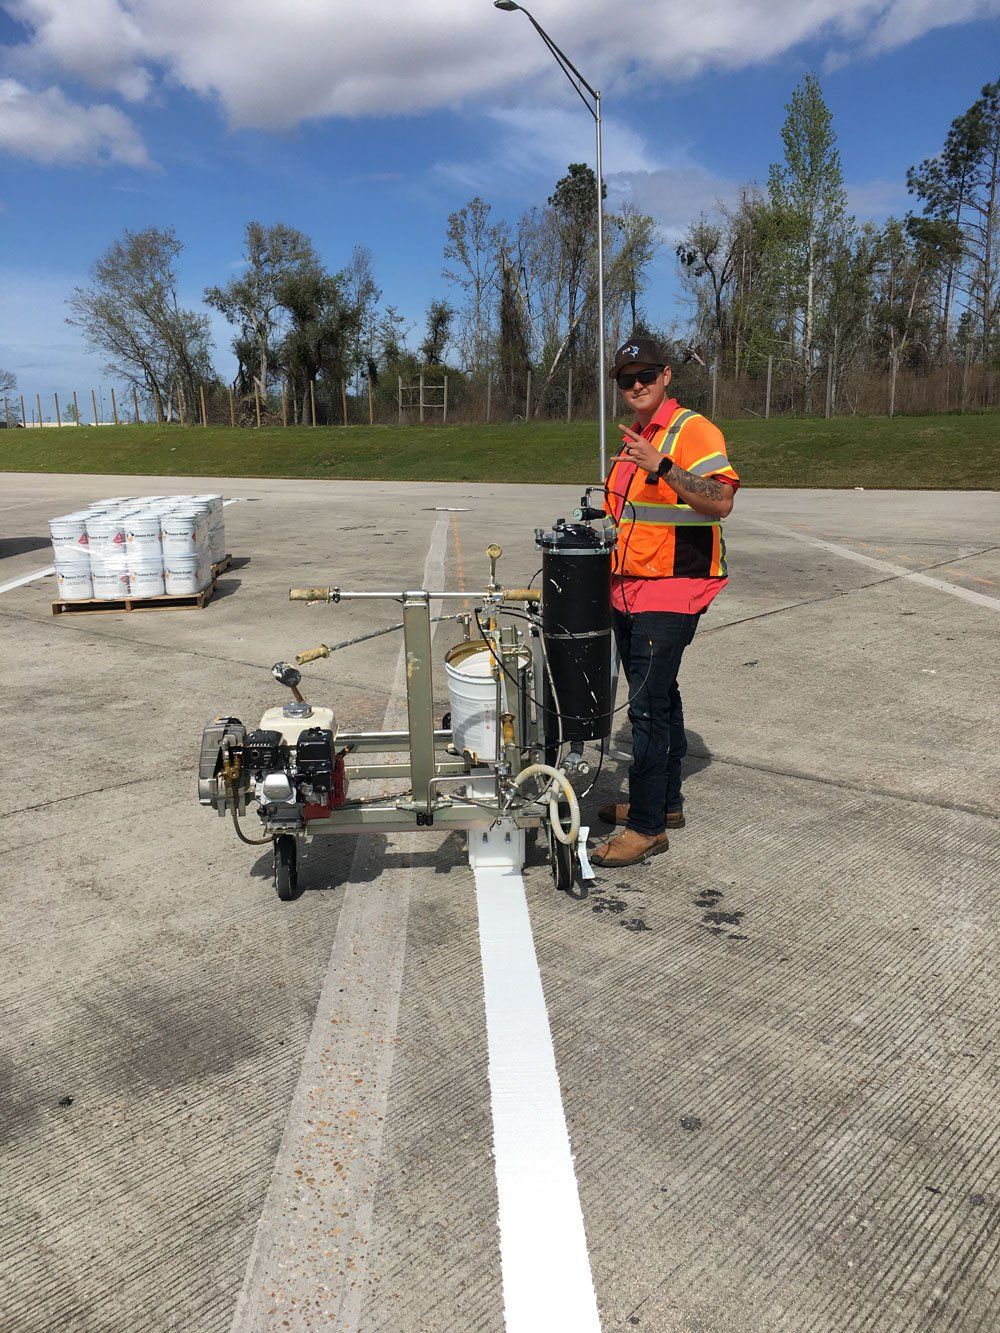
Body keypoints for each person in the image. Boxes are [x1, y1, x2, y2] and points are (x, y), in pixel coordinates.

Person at [590, 338, 740, 869]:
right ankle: (665, 802)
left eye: (645, 375)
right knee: (659, 693)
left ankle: (647, 827)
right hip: (630, 587)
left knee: (648, 707)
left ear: (667, 375)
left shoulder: (690, 431)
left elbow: (720, 500)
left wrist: (662, 466)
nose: (636, 385)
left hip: (674, 589)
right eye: (626, 379)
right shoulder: (636, 438)